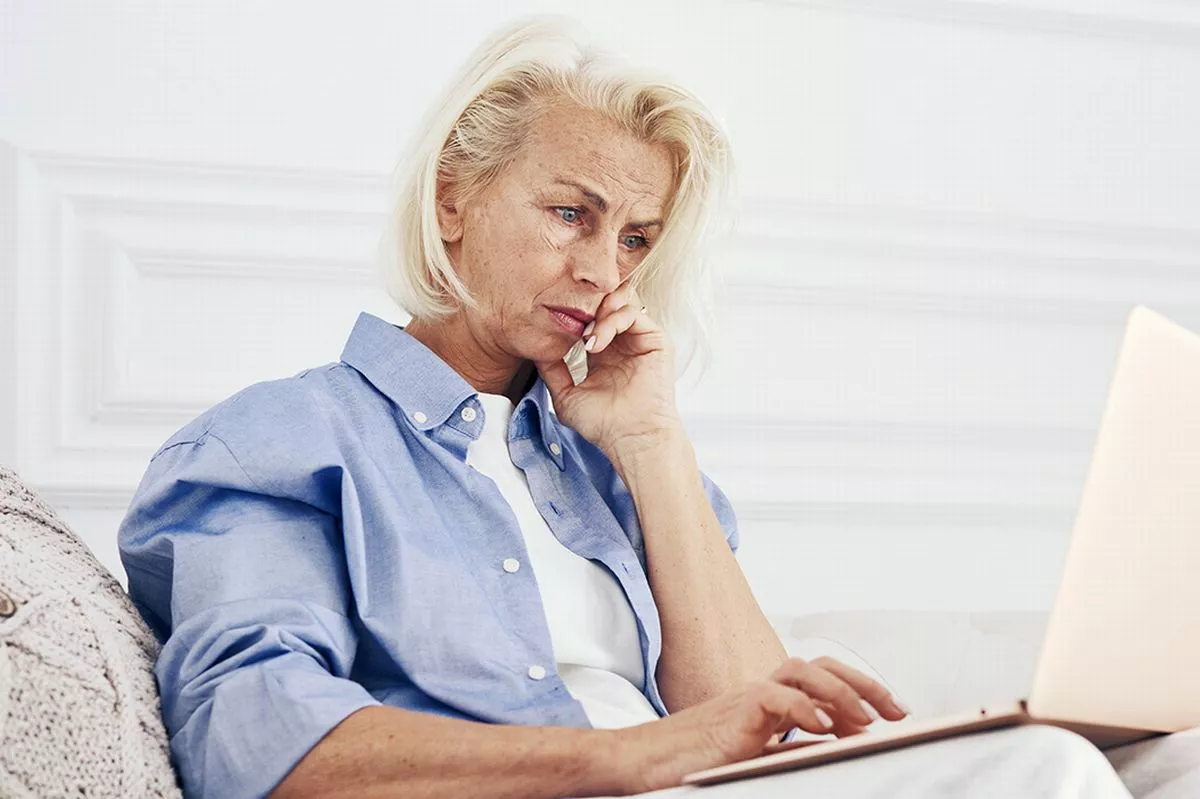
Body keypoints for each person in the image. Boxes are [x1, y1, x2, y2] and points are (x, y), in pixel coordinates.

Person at [118, 16, 1140, 799]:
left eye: (638, 238)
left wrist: (652, 444)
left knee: (1055, 759)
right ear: (452, 197)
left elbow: (754, 727)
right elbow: (255, 741)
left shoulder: (611, 456)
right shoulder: (277, 443)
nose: (602, 270)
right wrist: (635, 754)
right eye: (572, 213)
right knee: (1040, 774)